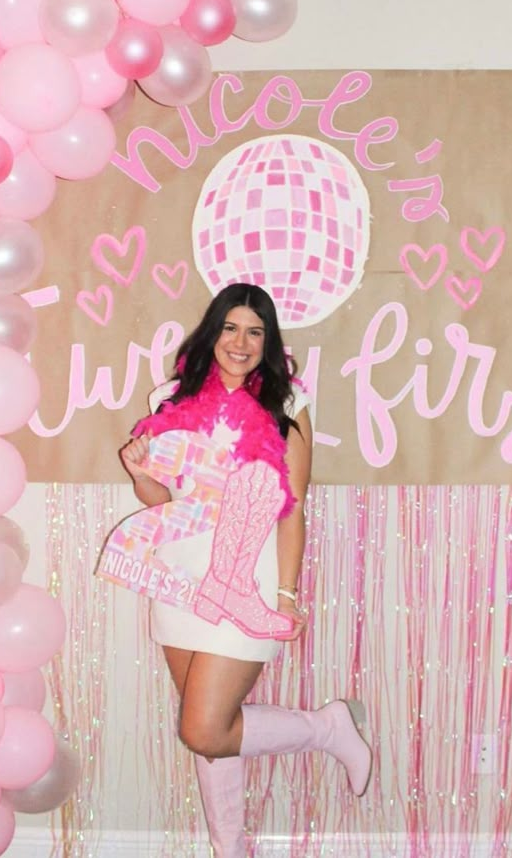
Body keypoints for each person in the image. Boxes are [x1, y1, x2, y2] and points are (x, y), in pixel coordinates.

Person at [119, 283, 372, 857]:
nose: (242, 342)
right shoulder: (171, 398)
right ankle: (229, 849)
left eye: (255, 332)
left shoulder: (286, 405)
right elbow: (167, 503)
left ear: (269, 342)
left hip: (246, 581)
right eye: (231, 328)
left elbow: (294, 506)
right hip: (180, 578)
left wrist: (286, 593)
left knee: (204, 727)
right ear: (213, 331)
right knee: (212, 736)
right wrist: (138, 474)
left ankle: (327, 728)